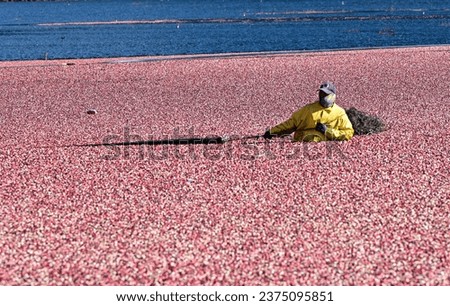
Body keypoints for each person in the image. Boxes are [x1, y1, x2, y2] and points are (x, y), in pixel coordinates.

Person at [263, 81, 354, 142]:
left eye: (325, 94)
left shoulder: (339, 113)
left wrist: (327, 131)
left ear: (333, 95)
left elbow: (348, 133)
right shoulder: (309, 110)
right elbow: (290, 124)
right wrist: (272, 132)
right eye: (321, 93)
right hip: (305, 142)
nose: (322, 96)